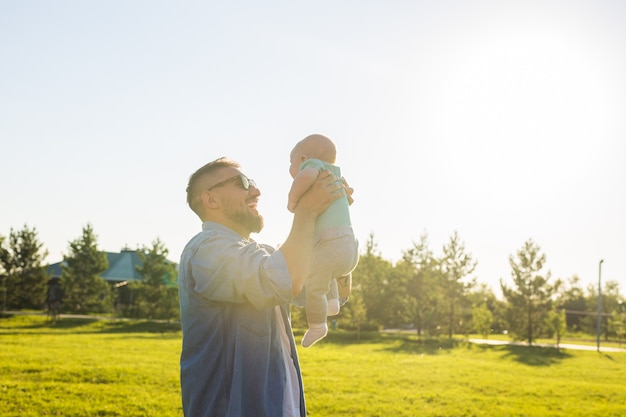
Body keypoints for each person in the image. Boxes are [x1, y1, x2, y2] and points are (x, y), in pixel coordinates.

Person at [178, 156, 351, 417]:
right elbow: (280, 281)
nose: (256, 190)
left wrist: (333, 223)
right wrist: (307, 209)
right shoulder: (206, 250)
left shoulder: (263, 254)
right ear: (210, 199)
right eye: (243, 183)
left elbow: (320, 286)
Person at [288, 134, 359, 347]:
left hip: (331, 244)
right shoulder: (336, 176)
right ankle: (333, 303)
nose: (290, 169)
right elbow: (345, 201)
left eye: (290, 163)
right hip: (349, 246)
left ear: (302, 158)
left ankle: (318, 325)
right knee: (325, 271)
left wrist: (293, 200)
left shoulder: (311, 165)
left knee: (316, 284)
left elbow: (304, 178)